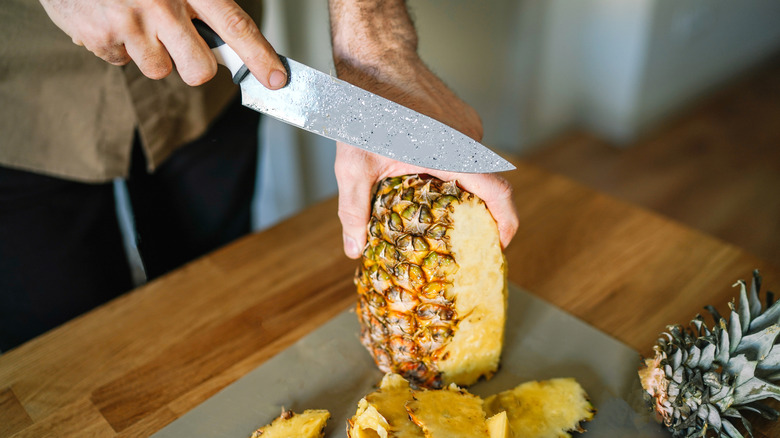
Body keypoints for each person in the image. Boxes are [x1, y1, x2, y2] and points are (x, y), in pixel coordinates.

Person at [0, 0, 518, 351]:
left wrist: (377, 46)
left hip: (213, 57)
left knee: (217, 307)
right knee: (62, 345)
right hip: (22, 101)